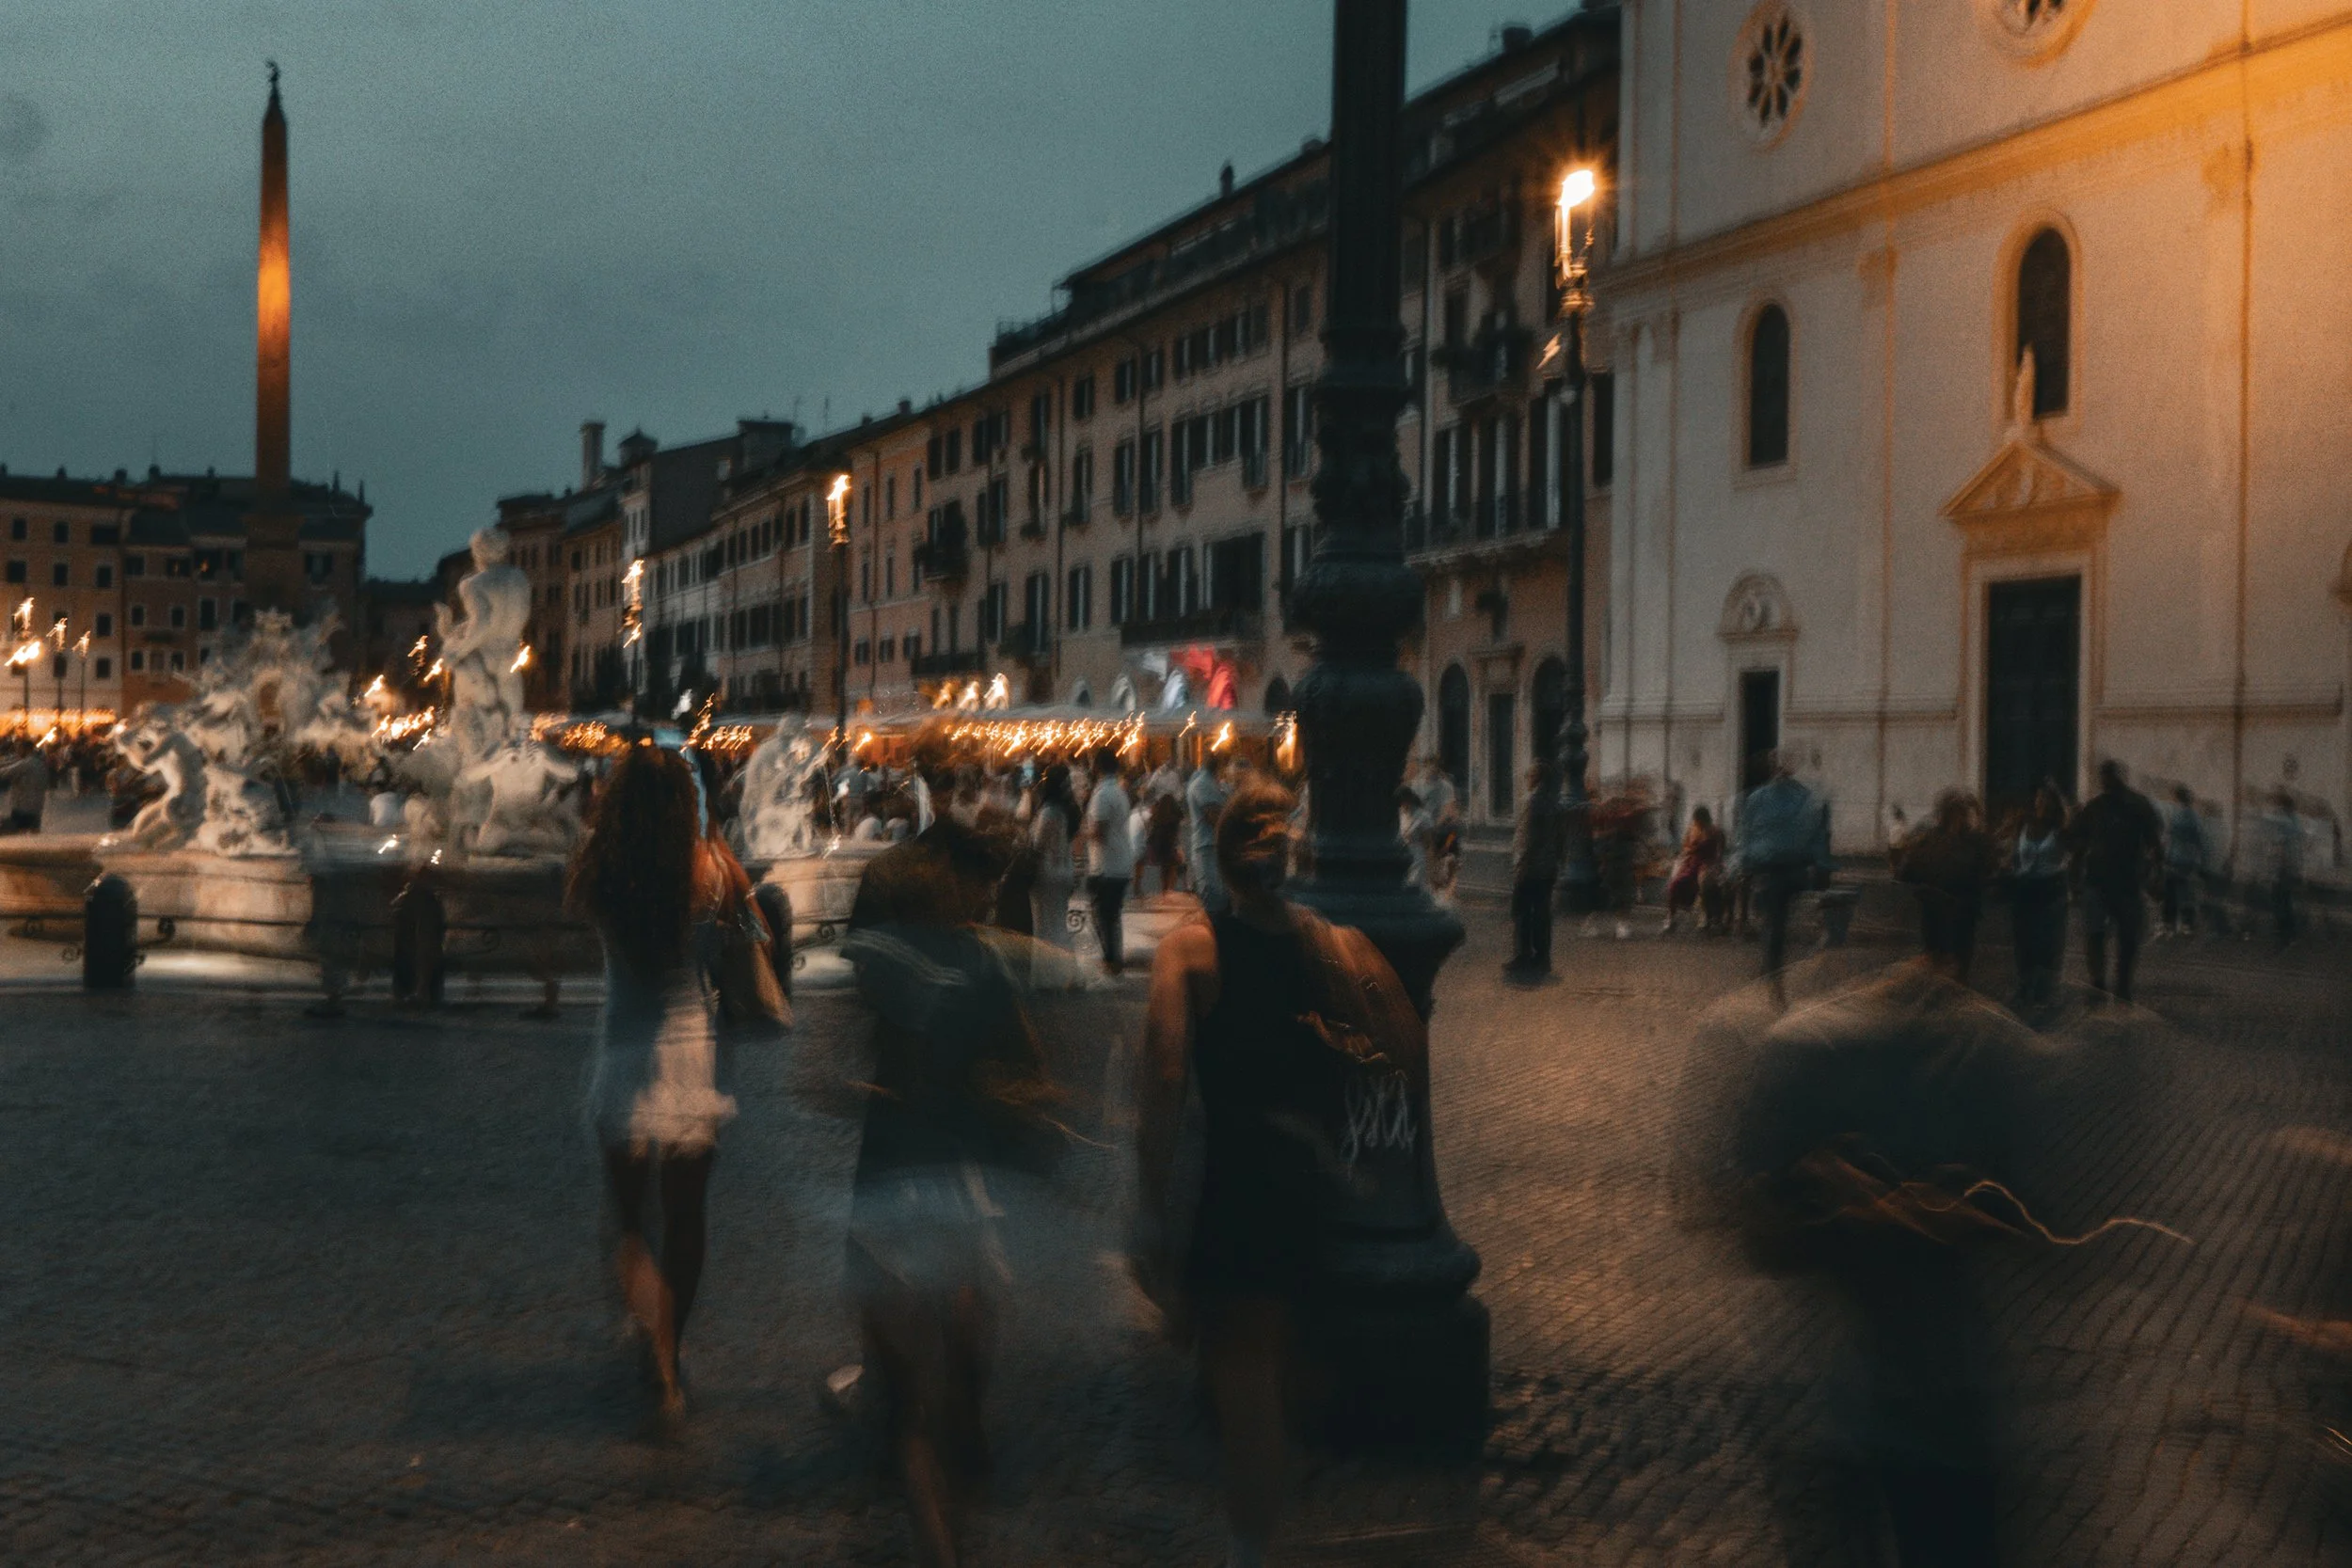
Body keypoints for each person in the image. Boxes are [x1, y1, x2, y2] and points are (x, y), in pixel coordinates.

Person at [1136, 777, 1421, 1568]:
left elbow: (1162, 1081)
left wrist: (1151, 1210)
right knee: (1288, 1370)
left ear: (1217, 860)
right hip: (1312, 1180)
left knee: (1246, 1385)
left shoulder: (1191, 950)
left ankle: (1249, 1552)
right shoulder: (1333, 947)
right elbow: (1390, 1045)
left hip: (1241, 1184)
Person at [842, 816, 1059, 1568]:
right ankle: (952, 1434)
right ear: (961, 883)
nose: (989, 898)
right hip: (960, 1173)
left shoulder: (892, 936)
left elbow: (850, 1036)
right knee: (959, 1349)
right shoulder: (978, 955)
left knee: (911, 1386)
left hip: (894, 1159)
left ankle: (912, 1448)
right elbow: (1025, 1060)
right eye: (984, 887)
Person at [566, 744, 739, 1429]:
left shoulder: (599, 871)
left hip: (625, 1056)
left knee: (631, 1226)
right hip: (694, 1059)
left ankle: (653, 1338)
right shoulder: (711, 870)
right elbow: (750, 937)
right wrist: (717, 837)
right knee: (689, 1218)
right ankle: (670, 1352)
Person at [1731, 752, 1832, 1003]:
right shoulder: (1805, 798)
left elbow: (1746, 835)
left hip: (1770, 870)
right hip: (1792, 870)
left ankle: (1772, 968)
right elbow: (1817, 833)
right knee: (1779, 921)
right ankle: (1774, 969)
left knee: (1775, 922)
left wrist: (1743, 864)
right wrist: (1820, 864)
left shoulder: (1756, 799)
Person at [2065, 759, 2163, 1004]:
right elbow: (2075, 840)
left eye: (2109, 775)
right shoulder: (2096, 807)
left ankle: (2120, 984)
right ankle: (2101, 981)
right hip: (2100, 881)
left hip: (2125, 881)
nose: (2106, 780)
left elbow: (2154, 841)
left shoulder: (2135, 805)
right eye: (2105, 775)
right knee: (2098, 934)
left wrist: (2156, 871)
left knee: (2124, 937)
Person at [1890, 790, 1999, 985]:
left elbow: (1988, 862)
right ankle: (1943, 983)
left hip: (1961, 908)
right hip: (1938, 907)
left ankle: (1954, 982)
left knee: (1958, 954)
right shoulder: (1932, 838)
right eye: (1953, 812)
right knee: (1938, 952)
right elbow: (1908, 869)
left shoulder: (1971, 840)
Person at [2008, 784, 2070, 1009]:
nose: (2041, 804)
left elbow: (2074, 856)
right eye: (2038, 799)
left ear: (2054, 804)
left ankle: (2045, 990)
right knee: (2023, 939)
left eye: (2046, 800)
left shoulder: (2061, 830)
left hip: (2050, 888)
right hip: (2025, 888)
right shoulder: (2023, 823)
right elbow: (2015, 854)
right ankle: (2024, 986)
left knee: (2048, 941)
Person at [1080, 748, 1135, 975]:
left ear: (1097, 766)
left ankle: (1111, 960)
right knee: (1112, 916)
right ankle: (1114, 959)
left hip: (1106, 865)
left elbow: (1098, 832)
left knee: (1103, 916)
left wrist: (1081, 832)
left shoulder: (1102, 794)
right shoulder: (1120, 792)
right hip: (1120, 862)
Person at [1507, 763, 1565, 975]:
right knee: (1542, 913)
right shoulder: (1554, 802)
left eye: (1529, 774)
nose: (1526, 777)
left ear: (1535, 778)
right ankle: (1542, 957)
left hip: (1530, 866)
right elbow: (1560, 837)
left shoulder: (1529, 801)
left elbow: (1525, 837)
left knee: (1522, 912)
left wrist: (1520, 863)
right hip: (1548, 867)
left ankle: (1523, 955)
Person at [1027, 762, 1079, 955]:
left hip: (1047, 872)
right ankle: (1065, 969)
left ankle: (1049, 973)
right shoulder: (1068, 809)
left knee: (1045, 927)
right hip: (1065, 869)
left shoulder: (1048, 812)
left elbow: (1039, 844)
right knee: (1059, 924)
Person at [1662, 804, 1725, 935]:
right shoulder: (1692, 829)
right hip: (1692, 863)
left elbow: (1719, 852)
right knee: (1675, 884)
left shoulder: (1715, 831)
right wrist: (1687, 855)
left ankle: (1709, 917)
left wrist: (1716, 867)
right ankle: (1671, 917)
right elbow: (1685, 847)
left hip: (1708, 864)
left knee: (1707, 884)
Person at [1185, 752, 1232, 913]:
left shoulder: (1215, 783)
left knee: (1221, 895)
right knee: (1213, 896)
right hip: (1206, 846)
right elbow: (1214, 816)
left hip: (1215, 845)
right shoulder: (1202, 784)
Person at [2159, 784, 2205, 938]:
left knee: (2170, 892)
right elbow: (2199, 840)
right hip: (2188, 860)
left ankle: (2169, 924)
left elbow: (2169, 837)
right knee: (2185, 892)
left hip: (2175, 859)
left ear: (2178, 798)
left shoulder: (2175, 815)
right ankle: (2187, 924)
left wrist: (2166, 856)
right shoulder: (2194, 816)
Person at [2, 745, 50, 834]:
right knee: (34, 834)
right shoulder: (40, 763)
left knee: (19, 836)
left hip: (22, 807)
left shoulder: (26, 763)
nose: (18, 752)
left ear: (27, 749)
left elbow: (7, 772)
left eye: (19, 749)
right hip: (37, 807)